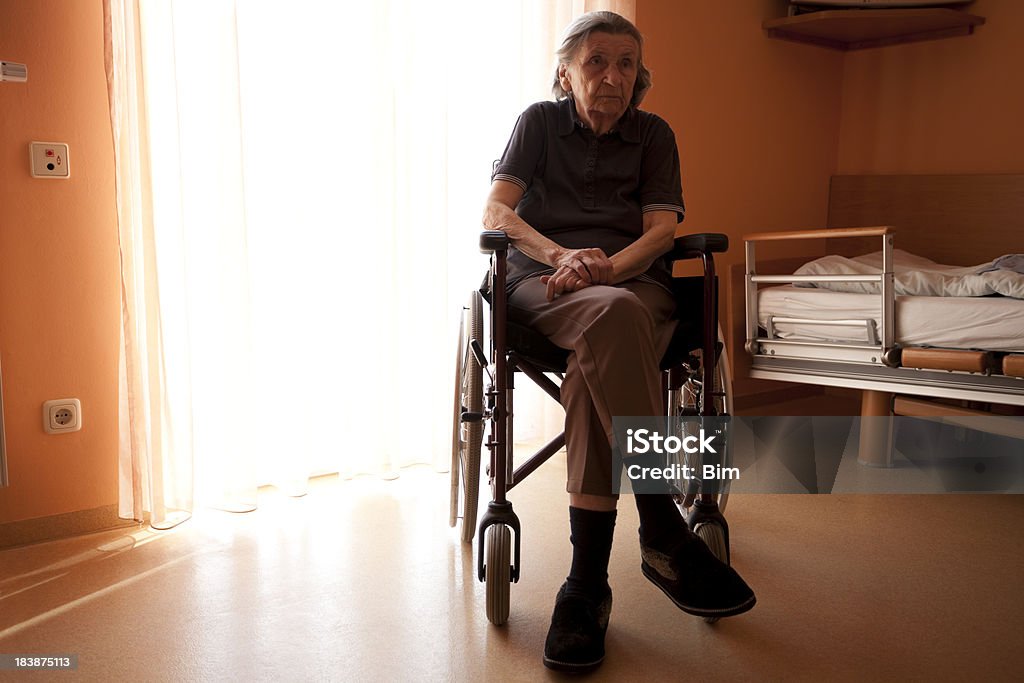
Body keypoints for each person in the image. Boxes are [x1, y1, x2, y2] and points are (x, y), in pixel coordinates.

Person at [482, 11, 756, 673]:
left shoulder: (654, 135)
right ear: (566, 72)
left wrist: (607, 267)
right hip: (541, 289)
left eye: (625, 64)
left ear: (640, 77)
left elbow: (662, 233)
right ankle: (660, 522)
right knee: (609, 318)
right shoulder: (539, 124)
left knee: (603, 340)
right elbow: (497, 212)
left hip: (633, 286)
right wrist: (563, 256)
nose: (611, 76)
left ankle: (586, 586)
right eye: (596, 61)